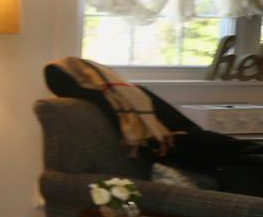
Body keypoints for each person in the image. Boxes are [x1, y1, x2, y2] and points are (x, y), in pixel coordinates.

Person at [45, 58, 263, 197]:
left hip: (220, 156)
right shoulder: (153, 135)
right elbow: (57, 74)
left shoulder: (136, 103)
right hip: (207, 159)